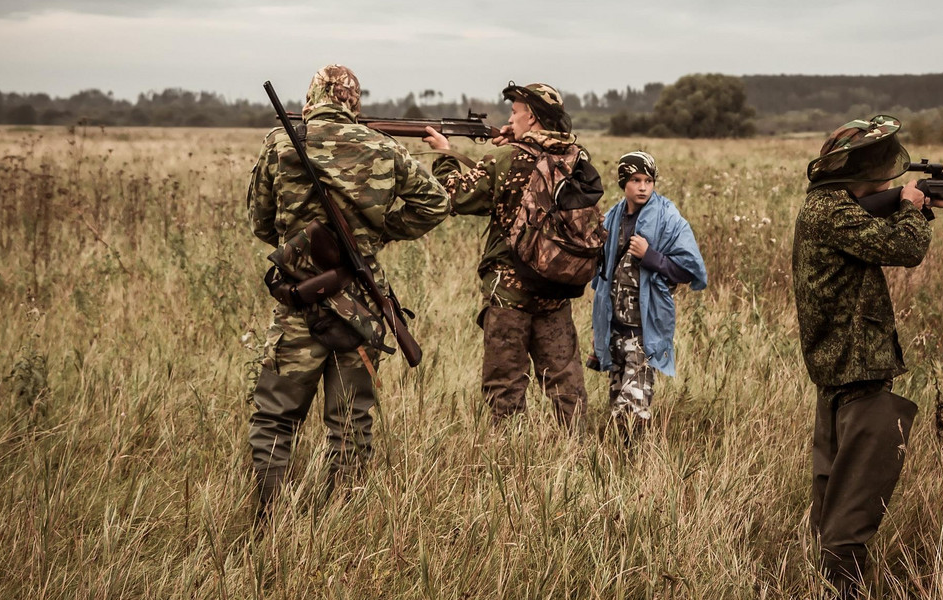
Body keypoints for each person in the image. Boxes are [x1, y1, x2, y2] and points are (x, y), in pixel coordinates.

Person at [247, 64, 449, 522]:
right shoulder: (384, 147)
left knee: (276, 416)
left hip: (299, 301)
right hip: (360, 304)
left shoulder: (281, 143)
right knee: (351, 422)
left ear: (313, 96)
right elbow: (436, 202)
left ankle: (270, 522)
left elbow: (260, 223)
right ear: (353, 103)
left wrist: (299, 245)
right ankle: (344, 522)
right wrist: (379, 236)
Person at [792, 115, 943, 597]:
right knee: (852, 512)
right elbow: (904, 247)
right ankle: (842, 590)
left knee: (833, 498)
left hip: (841, 371)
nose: (888, 176)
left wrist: (922, 206)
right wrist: (913, 206)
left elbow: (872, 238)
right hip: (857, 372)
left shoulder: (829, 207)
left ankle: (824, 586)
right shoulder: (832, 212)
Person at [422, 81, 595, 429]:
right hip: (555, 288)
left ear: (531, 116)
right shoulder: (576, 158)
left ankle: (512, 456)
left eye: (515, 112)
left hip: (510, 291)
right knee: (566, 383)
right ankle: (576, 449)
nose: (510, 118)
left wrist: (444, 154)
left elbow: (454, 197)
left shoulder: (505, 158)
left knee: (506, 387)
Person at [589, 151, 707, 441]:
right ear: (623, 183)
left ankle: (633, 466)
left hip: (645, 330)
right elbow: (600, 277)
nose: (643, 187)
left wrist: (650, 256)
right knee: (617, 400)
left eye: (649, 180)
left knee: (633, 408)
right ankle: (617, 468)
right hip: (615, 326)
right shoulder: (613, 217)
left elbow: (691, 270)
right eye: (635, 180)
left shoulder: (668, 217)